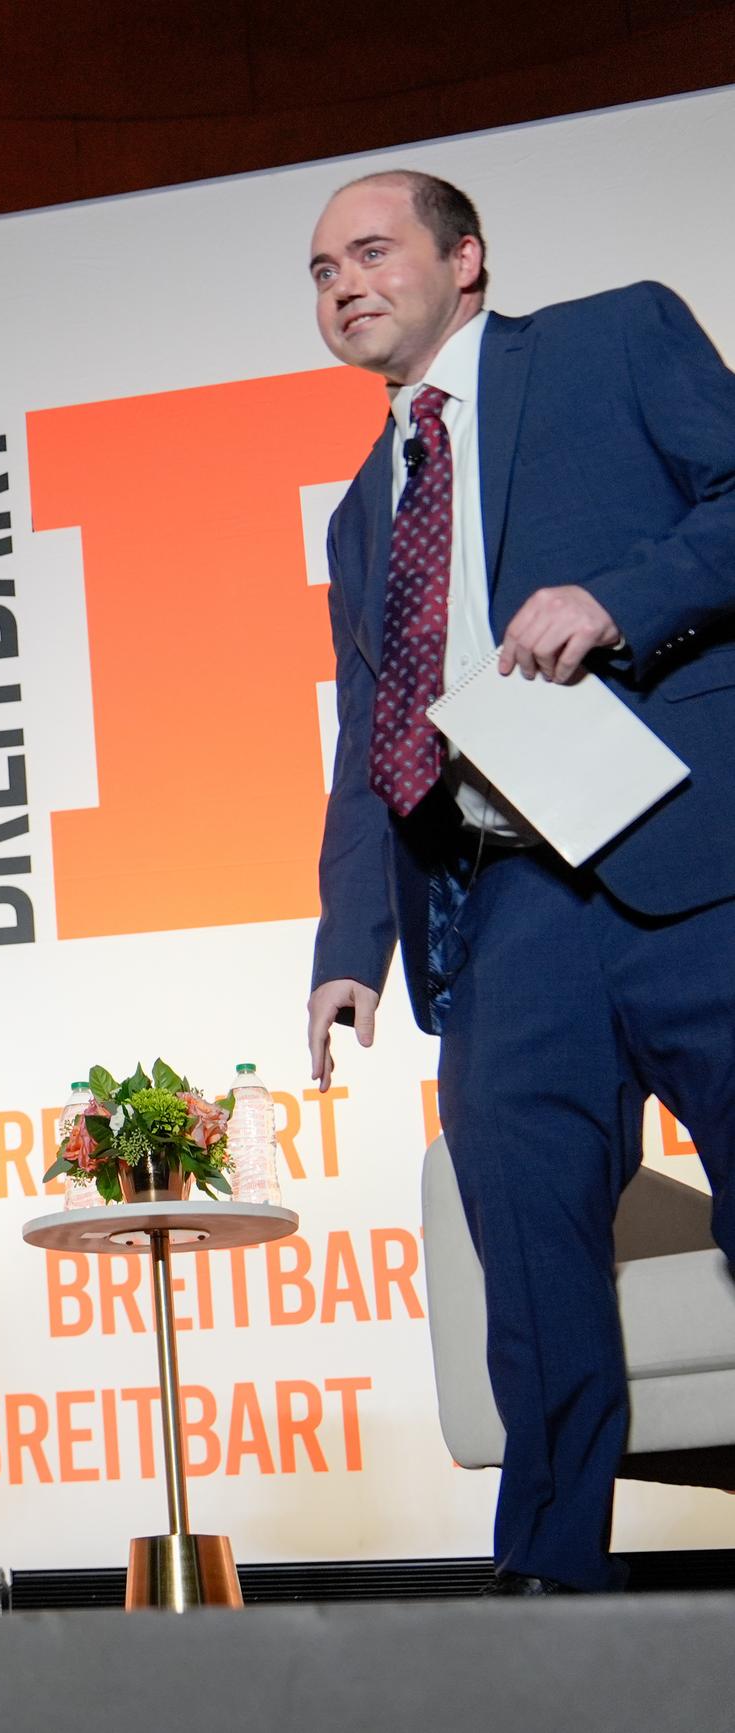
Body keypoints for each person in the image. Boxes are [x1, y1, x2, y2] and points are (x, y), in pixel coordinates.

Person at [303, 169, 735, 1592]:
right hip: (506, 903)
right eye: (321, 271)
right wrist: (346, 943)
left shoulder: (615, 341)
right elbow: (374, 738)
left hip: (692, 857)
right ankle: (553, 1591)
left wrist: (622, 599)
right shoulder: (364, 511)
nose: (344, 283)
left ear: (466, 260)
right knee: (530, 1257)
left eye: (372, 250)